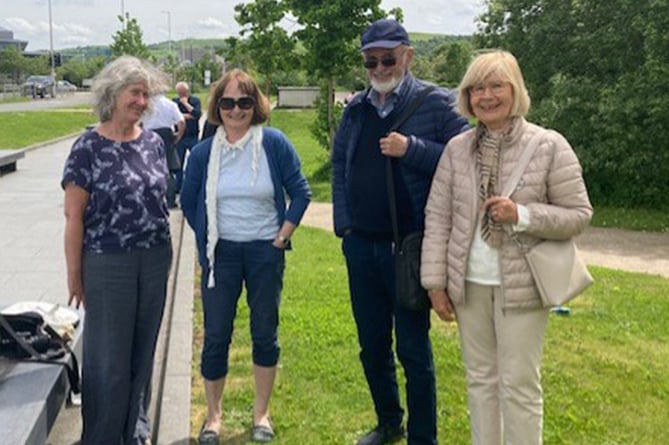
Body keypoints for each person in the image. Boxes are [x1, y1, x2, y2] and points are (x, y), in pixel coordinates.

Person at [420, 50, 593, 445]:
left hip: (524, 285)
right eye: (477, 88)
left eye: (496, 85)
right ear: (466, 96)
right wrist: (435, 283)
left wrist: (523, 215)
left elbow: (579, 214)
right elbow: (439, 218)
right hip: (469, 284)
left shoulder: (549, 145)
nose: (486, 96)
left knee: (518, 384)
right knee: (481, 380)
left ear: (515, 90)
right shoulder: (456, 149)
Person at [332, 19, 469, 445]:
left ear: (408, 56)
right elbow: (341, 167)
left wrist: (413, 149)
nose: (379, 66)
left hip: (408, 249)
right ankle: (389, 423)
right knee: (372, 346)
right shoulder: (356, 109)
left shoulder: (438, 104)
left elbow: (463, 161)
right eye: (371, 59)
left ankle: (422, 437)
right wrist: (344, 226)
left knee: (413, 350)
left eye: (388, 58)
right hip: (361, 246)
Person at [180, 68, 311, 444]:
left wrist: (281, 237)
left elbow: (300, 192)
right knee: (217, 334)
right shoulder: (204, 153)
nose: (236, 110)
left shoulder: (274, 143)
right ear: (217, 107)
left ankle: (261, 414)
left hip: (264, 253)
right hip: (220, 255)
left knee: (264, 331)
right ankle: (214, 416)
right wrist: (209, 238)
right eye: (228, 102)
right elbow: (189, 202)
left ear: (256, 105)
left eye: (244, 102)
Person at [62, 55, 172, 445]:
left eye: (147, 94)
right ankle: (103, 436)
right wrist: (75, 275)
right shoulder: (87, 147)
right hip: (107, 262)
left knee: (143, 350)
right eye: (135, 93)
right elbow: (73, 217)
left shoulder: (154, 143)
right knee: (108, 358)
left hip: (156, 257)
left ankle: (135, 430)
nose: (143, 101)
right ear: (113, 93)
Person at [143, 93, 185, 208]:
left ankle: (152, 199)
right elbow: (181, 121)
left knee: (149, 167)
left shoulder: (146, 103)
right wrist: (178, 136)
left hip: (149, 133)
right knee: (168, 168)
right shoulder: (170, 104)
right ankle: (170, 200)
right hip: (166, 134)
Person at [174, 81, 202, 189]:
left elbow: (197, 114)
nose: (181, 95)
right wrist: (187, 116)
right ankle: (178, 186)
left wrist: (186, 104)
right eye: (179, 93)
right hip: (180, 137)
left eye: (183, 93)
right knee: (178, 163)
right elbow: (174, 117)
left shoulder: (195, 100)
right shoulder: (174, 102)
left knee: (196, 160)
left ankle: (196, 183)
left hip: (193, 136)